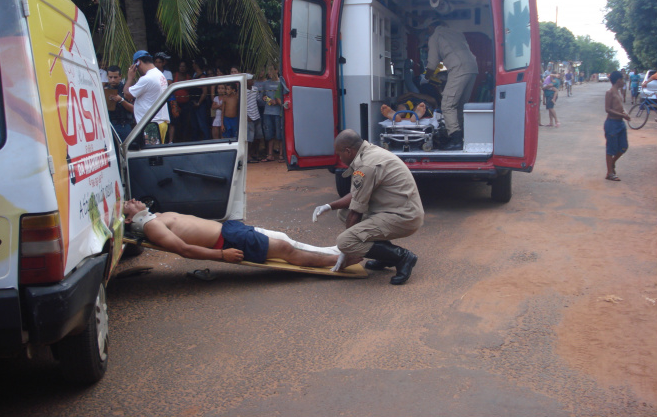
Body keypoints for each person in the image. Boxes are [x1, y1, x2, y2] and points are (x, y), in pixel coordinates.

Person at [312, 129, 424, 285]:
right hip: (396, 210)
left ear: (348, 151)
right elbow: (357, 194)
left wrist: (346, 250)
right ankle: (384, 256)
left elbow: (356, 212)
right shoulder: (369, 151)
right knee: (342, 213)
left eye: (339, 154)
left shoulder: (366, 166)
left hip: (404, 217)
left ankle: (402, 256)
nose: (339, 157)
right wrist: (329, 206)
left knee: (345, 240)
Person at [123, 199, 339, 268]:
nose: (132, 200)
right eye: (128, 204)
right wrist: (222, 255)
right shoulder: (152, 227)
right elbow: (184, 250)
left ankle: (329, 251)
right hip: (226, 240)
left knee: (282, 239)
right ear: (130, 219)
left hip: (229, 229)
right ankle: (336, 260)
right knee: (284, 249)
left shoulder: (156, 217)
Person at [424, 19, 478, 150]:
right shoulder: (456, 32)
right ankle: (460, 136)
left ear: (431, 27)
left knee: (447, 105)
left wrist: (426, 76)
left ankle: (455, 139)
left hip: (459, 68)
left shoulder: (435, 36)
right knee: (458, 105)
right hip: (472, 68)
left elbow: (432, 61)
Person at [124, 50, 170, 143]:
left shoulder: (147, 78)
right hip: (160, 122)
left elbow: (127, 94)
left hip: (152, 124)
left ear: (138, 62)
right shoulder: (160, 74)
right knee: (156, 154)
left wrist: (130, 78)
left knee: (151, 155)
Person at [604, 71, 630, 181]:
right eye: (623, 79)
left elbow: (619, 107)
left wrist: (624, 113)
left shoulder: (618, 92)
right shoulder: (610, 92)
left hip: (620, 123)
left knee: (624, 146)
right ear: (618, 80)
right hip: (612, 123)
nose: (624, 82)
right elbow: (607, 109)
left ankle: (612, 163)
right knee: (611, 149)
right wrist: (622, 115)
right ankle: (609, 173)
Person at [259, 64, 284, 162]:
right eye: (268, 70)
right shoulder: (266, 83)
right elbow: (262, 96)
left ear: (276, 70)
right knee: (269, 134)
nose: (268, 72)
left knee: (279, 134)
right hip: (268, 112)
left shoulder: (281, 82)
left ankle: (281, 155)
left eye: (271, 70)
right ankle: (270, 154)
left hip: (278, 112)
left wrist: (277, 102)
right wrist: (265, 99)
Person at [104, 65, 135, 141]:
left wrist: (121, 100)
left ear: (120, 76)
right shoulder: (104, 90)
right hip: (109, 125)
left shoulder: (126, 90)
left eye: (115, 77)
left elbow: (134, 109)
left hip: (124, 125)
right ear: (107, 76)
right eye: (110, 77)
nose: (112, 80)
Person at [189, 57, 211, 140]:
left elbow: (204, 92)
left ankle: (207, 141)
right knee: (194, 125)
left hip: (200, 105)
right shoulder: (194, 75)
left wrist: (199, 103)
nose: (192, 65)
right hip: (194, 103)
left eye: (194, 63)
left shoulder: (202, 77)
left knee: (202, 124)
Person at [245, 73, 264, 162]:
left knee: (258, 137)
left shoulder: (255, 89)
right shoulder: (243, 91)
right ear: (246, 81)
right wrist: (246, 116)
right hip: (249, 117)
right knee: (250, 138)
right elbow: (241, 105)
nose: (253, 81)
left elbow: (258, 99)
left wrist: (267, 99)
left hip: (257, 116)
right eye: (251, 80)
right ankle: (248, 156)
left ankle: (254, 154)